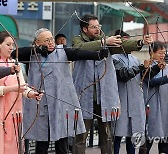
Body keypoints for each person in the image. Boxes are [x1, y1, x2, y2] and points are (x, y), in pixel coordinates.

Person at [11, 28, 109, 154]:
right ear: (37, 42)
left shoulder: (62, 51)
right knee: (41, 144)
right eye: (47, 40)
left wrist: (98, 55)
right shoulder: (32, 54)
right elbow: (14, 54)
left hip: (60, 105)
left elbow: (78, 53)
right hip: (40, 104)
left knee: (62, 143)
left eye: (52, 39)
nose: (51, 42)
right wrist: (37, 50)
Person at [72, 14, 153, 154]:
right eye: (94, 27)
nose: (98, 29)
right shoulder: (77, 40)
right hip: (84, 96)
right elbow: (79, 49)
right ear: (85, 29)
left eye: (99, 26)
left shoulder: (105, 41)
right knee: (81, 136)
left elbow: (123, 45)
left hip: (104, 97)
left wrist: (140, 42)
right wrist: (104, 42)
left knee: (107, 135)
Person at [0, 31, 42, 154]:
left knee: (14, 146)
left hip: (14, 113)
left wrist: (31, 94)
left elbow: (22, 86)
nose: (11, 47)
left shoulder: (14, 64)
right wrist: (12, 89)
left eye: (12, 44)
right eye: (8, 44)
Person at [112, 30, 159, 154]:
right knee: (116, 136)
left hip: (134, 102)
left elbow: (144, 76)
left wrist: (156, 68)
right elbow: (123, 74)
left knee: (132, 135)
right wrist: (141, 67)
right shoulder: (113, 58)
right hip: (120, 102)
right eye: (127, 43)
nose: (130, 46)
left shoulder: (135, 59)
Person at [139, 41, 168, 154]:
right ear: (151, 52)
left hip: (165, 106)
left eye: (164, 53)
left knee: (165, 136)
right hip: (151, 107)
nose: (163, 55)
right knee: (148, 136)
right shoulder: (146, 66)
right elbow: (150, 82)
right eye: (160, 53)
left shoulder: (166, 67)